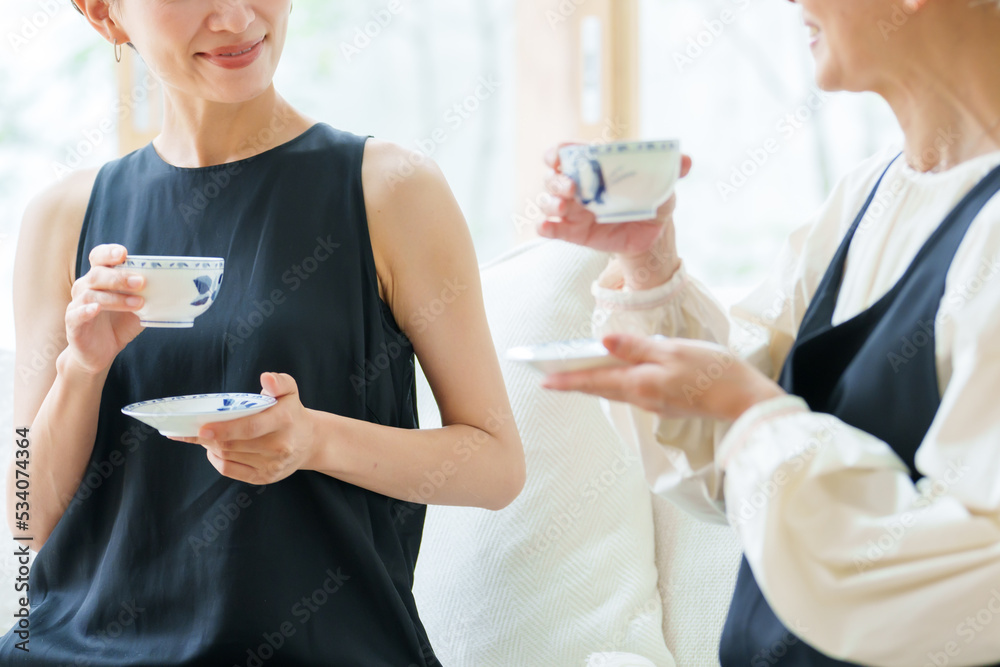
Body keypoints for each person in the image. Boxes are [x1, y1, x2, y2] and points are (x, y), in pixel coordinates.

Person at [1, 0, 524, 664]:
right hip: (72, 647)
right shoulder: (61, 218)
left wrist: (315, 439)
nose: (236, 16)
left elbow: (496, 465)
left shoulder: (390, 189)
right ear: (104, 13)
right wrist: (83, 366)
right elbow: (25, 511)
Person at [538, 0, 1000, 664]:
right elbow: (730, 469)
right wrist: (649, 265)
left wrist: (752, 412)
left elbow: (973, 577)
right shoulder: (867, 194)